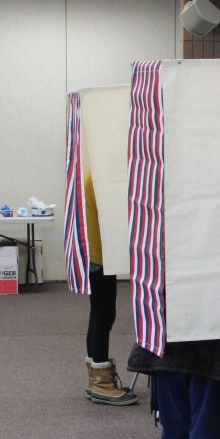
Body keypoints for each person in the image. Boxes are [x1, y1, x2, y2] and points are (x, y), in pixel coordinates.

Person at [83, 172, 137, 406]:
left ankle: (96, 375)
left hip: (95, 255)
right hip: (100, 257)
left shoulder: (90, 178)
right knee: (104, 317)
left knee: (98, 315)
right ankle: (101, 383)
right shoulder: (98, 180)